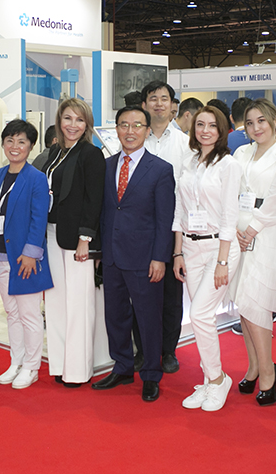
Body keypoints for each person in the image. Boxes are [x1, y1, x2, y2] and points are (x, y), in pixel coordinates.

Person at [92, 105, 175, 402]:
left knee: (148, 319)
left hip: (145, 258)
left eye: (137, 125)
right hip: (112, 256)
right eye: (124, 125)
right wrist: (100, 252)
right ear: (116, 129)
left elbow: (165, 220)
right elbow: (104, 211)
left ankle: (151, 374)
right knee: (115, 316)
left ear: (147, 130)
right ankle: (123, 367)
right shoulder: (106, 166)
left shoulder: (161, 170)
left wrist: (160, 258)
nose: (130, 131)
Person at [172, 106, 242, 412]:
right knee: (202, 319)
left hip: (219, 248)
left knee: (200, 314)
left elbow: (230, 216)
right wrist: (178, 251)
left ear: (222, 129)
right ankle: (208, 379)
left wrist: (222, 262)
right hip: (190, 247)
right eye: (200, 124)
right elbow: (180, 210)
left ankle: (217, 379)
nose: (205, 130)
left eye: (212, 125)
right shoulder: (189, 161)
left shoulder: (229, 165)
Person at [232, 98, 276, 406]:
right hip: (239, 233)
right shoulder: (241, 153)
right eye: (250, 123)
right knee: (243, 305)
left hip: (269, 233)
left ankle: (269, 371)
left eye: (261, 121)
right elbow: (231, 192)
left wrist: (251, 229)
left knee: (257, 303)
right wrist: (234, 228)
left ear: (274, 121)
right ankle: (254, 366)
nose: (256, 127)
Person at [0, 119, 52, 390]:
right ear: (2, 143)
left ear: (31, 146)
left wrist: (32, 252)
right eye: (10, 140)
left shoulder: (36, 178)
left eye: (22, 141)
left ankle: (32, 367)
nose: (15, 146)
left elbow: (39, 218)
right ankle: (16, 361)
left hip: (23, 258)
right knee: (11, 313)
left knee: (29, 314)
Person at [42, 97, 106, 388]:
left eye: (79, 120)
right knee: (56, 301)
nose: (73, 125)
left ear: (87, 124)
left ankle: (78, 369)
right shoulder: (55, 152)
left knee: (79, 304)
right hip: (52, 233)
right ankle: (59, 363)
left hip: (77, 239)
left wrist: (85, 239)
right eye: (68, 118)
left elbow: (94, 200)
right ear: (59, 121)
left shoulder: (91, 154)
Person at [140, 80, 190, 374]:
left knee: (171, 294)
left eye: (164, 98)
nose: (159, 104)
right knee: (140, 291)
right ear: (144, 104)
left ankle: (169, 350)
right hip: (139, 226)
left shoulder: (185, 143)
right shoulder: (134, 138)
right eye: (153, 98)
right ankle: (143, 349)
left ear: (173, 105)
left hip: (173, 227)